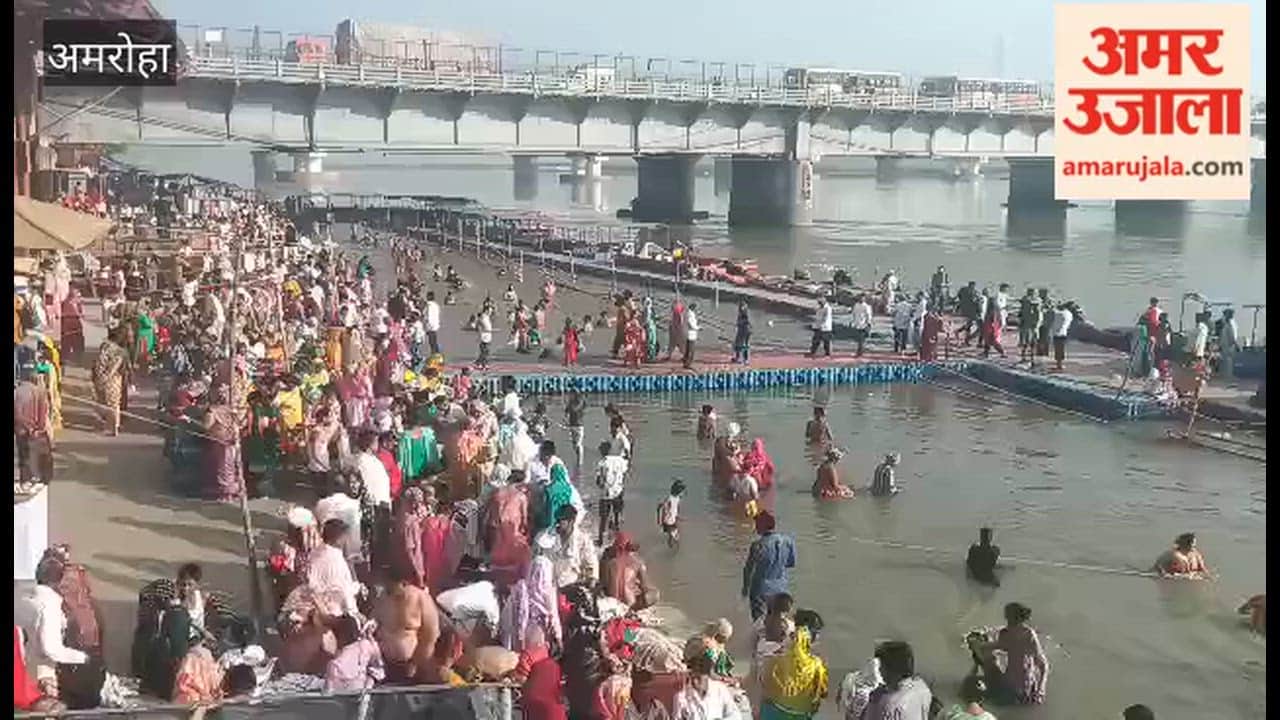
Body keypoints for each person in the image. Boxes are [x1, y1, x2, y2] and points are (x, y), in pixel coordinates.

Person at [16, 558, 90, 695]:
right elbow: (51, 648)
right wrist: (83, 658)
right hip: (41, 675)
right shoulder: (49, 605)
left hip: (21, 671)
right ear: (58, 581)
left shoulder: (24, 599)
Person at [966, 603, 1049, 705]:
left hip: (1018, 690)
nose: (1007, 621)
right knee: (987, 655)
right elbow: (1000, 645)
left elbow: (1043, 665)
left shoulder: (1026, 635)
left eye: (1009, 618)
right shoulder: (1016, 633)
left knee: (984, 662)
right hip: (1019, 688)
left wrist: (1041, 690)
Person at [760, 611, 828, 720]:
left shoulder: (774, 658)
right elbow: (821, 695)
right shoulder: (816, 665)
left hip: (773, 714)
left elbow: (764, 689)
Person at [742, 512, 797, 621]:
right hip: (782, 588)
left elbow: (748, 570)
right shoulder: (788, 541)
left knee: (760, 624)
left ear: (762, 526)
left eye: (757, 524)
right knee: (780, 622)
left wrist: (745, 589)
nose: (755, 527)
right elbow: (791, 563)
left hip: (761, 590)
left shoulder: (758, 545)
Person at [861, 641, 933, 720]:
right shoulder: (921, 687)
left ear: (892, 668)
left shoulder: (888, 703)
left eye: (882, 666)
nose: (879, 669)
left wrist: (873, 704)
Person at [307, 519, 364, 617]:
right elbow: (342, 591)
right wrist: (356, 614)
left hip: (316, 603)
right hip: (332, 611)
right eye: (346, 537)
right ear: (338, 539)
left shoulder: (315, 552)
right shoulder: (336, 559)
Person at [536, 505, 599, 589]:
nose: (557, 523)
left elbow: (591, 563)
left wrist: (591, 581)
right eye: (557, 520)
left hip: (572, 585)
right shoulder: (549, 538)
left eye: (561, 520)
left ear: (571, 521)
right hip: (550, 585)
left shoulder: (582, 540)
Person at [14, 367, 54, 485]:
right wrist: (39, 428)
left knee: (23, 454)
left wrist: (24, 426)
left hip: (21, 429)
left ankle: (25, 478)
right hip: (36, 430)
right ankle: (39, 477)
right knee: (37, 453)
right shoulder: (40, 391)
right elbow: (43, 411)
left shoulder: (17, 392)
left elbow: (16, 412)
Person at [673, 653, 743, 720]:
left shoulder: (720, 690)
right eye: (692, 677)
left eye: (698, 678)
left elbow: (736, 716)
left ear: (707, 676)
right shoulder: (681, 697)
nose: (695, 682)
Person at [600, 531, 658, 611]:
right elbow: (646, 588)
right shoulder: (637, 562)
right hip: (631, 605)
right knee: (654, 594)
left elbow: (604, 584)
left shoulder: (606, 562)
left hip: (612, 604)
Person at [326, 614, 385, 692]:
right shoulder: (366, 645)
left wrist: (368, 688)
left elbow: (379, 669)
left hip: (355, 696)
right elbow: (379, 669)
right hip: (357, 695)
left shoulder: (334, 666)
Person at [91, 329, 130, 435]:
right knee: (114, 404)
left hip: (105, 379)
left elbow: (100, 363)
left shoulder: (105, 348)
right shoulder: (121, 351)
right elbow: (123, 367)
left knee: (103, 402)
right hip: (117, 379)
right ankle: (115, 426)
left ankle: (108, 425)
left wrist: (100, 377)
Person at [595, 440, 629, 545]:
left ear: (603, 451)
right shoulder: (620, 460)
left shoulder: (602, 463)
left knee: (603, 518)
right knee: (617, 516)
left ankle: (600, 540)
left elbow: (599, 481)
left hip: (606, 494)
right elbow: (625, 474)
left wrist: (601, 485)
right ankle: (618, 541)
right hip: (618, 491)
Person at [1017, 289, 1042, 365]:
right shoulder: (1026, 301)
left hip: (1032, 325)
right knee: (1026, 342)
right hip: (1027, 325)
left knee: (1032, 343)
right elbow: (1021, 315)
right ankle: (1025, 357)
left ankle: (1031, 358)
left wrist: (1037, 325)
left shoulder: (1036, 303)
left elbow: (1038, 317)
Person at [657, 481, 685, 548]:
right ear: (677, 491)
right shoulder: (669, 499)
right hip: (668, 521)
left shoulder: (677, 498)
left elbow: (676, 508)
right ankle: (673, 548)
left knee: (674, 535)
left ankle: (671, 545)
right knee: (676, 537)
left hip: (673, 520)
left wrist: (677, 516)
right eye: (682, 492)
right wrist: (660, 520)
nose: (683, 493)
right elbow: (662, 508)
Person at [565, 389, 587, 472]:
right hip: (572, 425)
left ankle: (580, 462)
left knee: (578, 444)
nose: (570, 395)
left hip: (579, 425)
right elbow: (566, 411)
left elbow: (575, 409)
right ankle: (578, 460)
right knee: (574, 445)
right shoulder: (571, 402)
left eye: (571, 394)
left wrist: (569, 406)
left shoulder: (580, 402)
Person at [1049, 302, 1074, 372]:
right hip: (1063, 333)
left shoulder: (1060, 314)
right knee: (1061, 350)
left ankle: (1059, 365)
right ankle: (1059, 365)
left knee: (1058, 350)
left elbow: (1054, 316)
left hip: (1057, 334)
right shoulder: (1069, 314)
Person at [1219, 308, 1240, 379]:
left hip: (1229, 344)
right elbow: (1229, 335)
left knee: (1228, 360)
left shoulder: (1230, 323)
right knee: (1227, 360)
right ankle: (1227, 375)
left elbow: (1232, 334)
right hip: (1227, 344)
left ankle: (1228, 375)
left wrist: (1235, 343)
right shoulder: (1227, 323)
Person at [666, 298, 686, 364]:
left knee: (678, 343)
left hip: (676, 329)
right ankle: (670, 355)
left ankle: (684, 355)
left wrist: (679, 327)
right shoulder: (677, 310)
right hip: (676, 329)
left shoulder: (677, 310)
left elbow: (680, 320)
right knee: (673, 343)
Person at [733, 299, 752, 364]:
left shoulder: (745, 313)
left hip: (745, 330)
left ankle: (744, 359)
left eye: (742, 306)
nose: (740, 308)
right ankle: (738, 358)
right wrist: (737, 325)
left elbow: (745, 322)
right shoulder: (741, 313)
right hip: (742, 330)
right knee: (738, 344)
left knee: (743, 345)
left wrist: (739, 323)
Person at [424, 291, 442, 356]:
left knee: (432, 342)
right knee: (434, 341)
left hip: (430, 326)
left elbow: (428, 316)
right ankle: (437, 355)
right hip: (435, 325)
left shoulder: (428, 305)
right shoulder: (436, 305)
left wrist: (427, 326)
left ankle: (435, 355)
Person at [683, 302, 700, 369]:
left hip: (690, 334)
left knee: (688, 349)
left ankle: (685, 362)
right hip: (691, 334)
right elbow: (691, 324)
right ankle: (688, 364)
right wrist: (698, 328)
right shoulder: (690, 314)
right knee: (691, 350)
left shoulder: (689, 313)